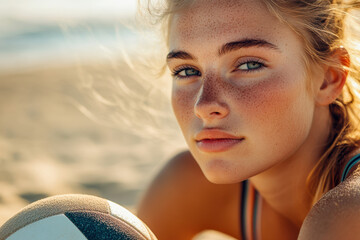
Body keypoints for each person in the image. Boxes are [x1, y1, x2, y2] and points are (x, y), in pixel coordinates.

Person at [136, 0, 360, 239]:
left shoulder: (348, 213)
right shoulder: (185, 187)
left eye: (248, 65)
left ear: (329, 78)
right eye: (187, 71)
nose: (203, 106)